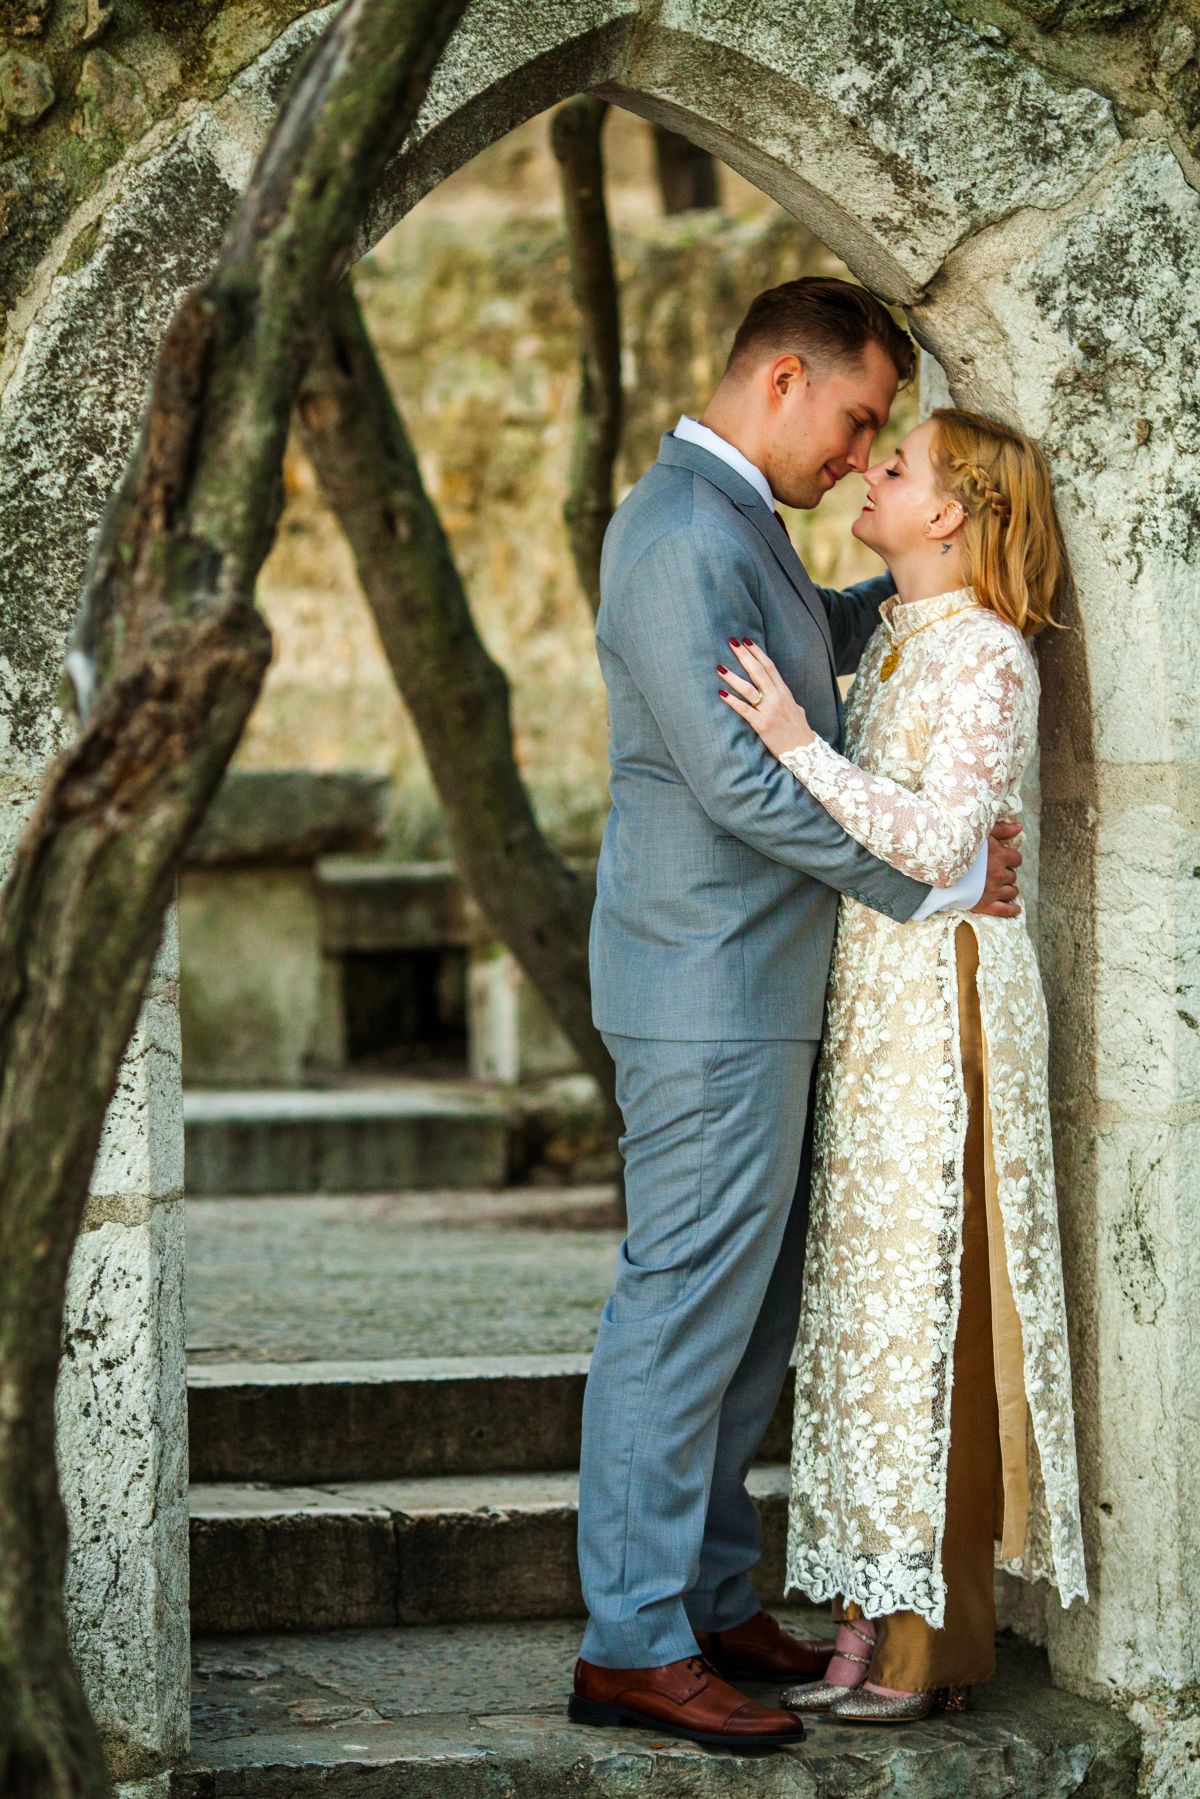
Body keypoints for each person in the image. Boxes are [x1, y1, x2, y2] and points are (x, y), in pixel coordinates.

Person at [568, 278, 1023, 1751]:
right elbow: (739, 780)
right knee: (680, 1312)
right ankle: (631, 1645)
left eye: (882, 438)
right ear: (780, 378)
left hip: (761, 987)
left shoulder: (738, 523)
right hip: (703, 985)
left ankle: (704, 1603)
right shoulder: (680, 530)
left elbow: (815, 634)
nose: (858, 451)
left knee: (746, 1324)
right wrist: (929, 887)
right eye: (857, 418)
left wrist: (931, 586)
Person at [717, 406, 1088, 1724]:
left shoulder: (987, 657)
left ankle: (933, 1647)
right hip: (880, 1012)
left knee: (935, 1313)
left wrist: (796, 750)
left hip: (949, 1014)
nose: (872, 472)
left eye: (900, 464)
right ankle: (863, 1625)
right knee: (871, 1320)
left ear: (951, 514)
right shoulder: (893, 644)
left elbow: (941, 844)